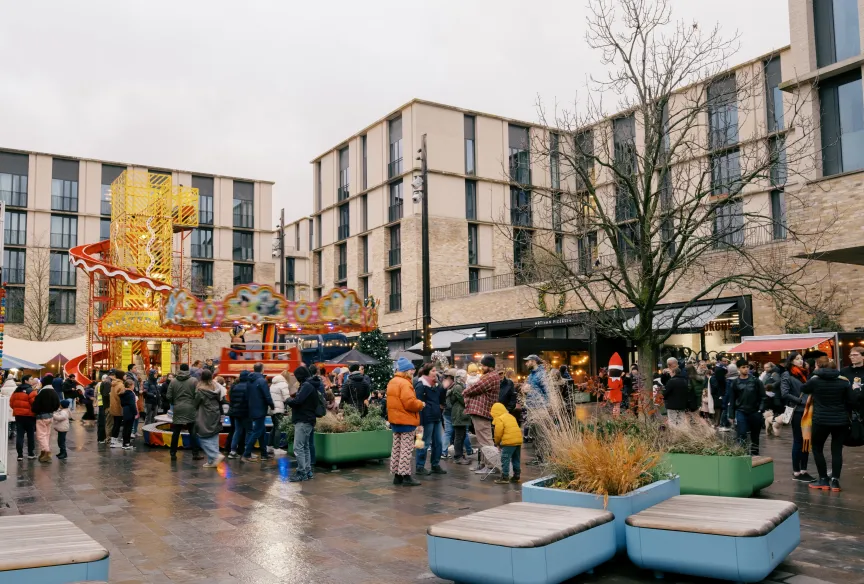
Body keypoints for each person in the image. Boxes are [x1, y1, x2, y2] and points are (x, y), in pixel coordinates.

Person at [803, 356, 856, 492]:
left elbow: (804, 389)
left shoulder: (815, 381)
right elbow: (851, 401)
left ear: (818, 366)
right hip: (841, 421)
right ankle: (835, 482)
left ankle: (823, 479)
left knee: (817, 448)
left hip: (821, 420)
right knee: (837, 450)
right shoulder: (844, 381)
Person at [386, 358, 425, 486]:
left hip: (395, 421)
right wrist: (421, 404)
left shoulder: (392, 381)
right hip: (406, 420)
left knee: (397, 449)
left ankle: (397, 476)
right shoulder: (405, 383)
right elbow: (410, 403)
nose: (413, 371)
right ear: (405, 370)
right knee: (406, 450)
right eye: (411, 369)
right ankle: (406, 476)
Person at [462, 355, 502, 472]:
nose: (482, 367)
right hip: (481, 412)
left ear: (489, 366)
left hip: (482, 412)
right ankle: (485, 464)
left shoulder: (490, 377)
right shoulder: (489, 376)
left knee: (486, 441)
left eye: (484, 365)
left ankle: (491, 466)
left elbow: (475, 387)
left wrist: (465, 392)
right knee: (483, 440)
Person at [781, 353, 813, 481]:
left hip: (808, 409)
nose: (800, 361)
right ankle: (796, 471)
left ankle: (804, 470)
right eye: (797, 359)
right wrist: (799, 401)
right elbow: (784, 393)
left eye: (801, 359)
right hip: (798, 410)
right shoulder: (787, 374)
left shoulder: (806, 374)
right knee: (798, 440)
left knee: (807, 440)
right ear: (791, 361)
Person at [286, 365, 321, 481]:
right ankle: (308, 471)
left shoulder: (306, 385)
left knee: (298, 447)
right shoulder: (311, 385)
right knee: (305, 447)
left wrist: (288, 400)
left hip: (303, 419)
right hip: (308, 419)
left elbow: (298, 401)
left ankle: (301, 472)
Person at [728, 360, 767, 455]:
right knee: (742, 434)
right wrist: (731, 415)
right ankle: (743, 455)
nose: (746, 369)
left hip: (755, 411)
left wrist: (760, 410)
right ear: (738, 369)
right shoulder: (735, 383)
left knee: (755, 436)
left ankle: (755, 455)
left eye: (747, 367)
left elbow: (763, 397)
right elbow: (732, 399)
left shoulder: (756, 381)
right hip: (741, 411)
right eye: (743, 367)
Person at [414, 363, 447, 476]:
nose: (435, 373)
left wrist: (441, 385)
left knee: (438, 442)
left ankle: (435, 464)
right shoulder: (421, 385)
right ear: (427, 372)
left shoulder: (435, 385)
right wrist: (420, 423)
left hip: (436, 416)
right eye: (433, 371)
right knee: (423, 442)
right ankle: (419, 466)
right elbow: (418, 404)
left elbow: (441, 398)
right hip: (426, 418)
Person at [167, 364, 202, 461]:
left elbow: (168, 396)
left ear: (179, 370)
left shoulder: (173, 381)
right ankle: (195, 454)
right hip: (190, 408)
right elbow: (198, 395)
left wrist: (174, 403)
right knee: (193, 432)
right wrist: (195, 404)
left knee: (176, 432)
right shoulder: (194, 381)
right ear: (188, 370)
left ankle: (173, 454)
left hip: (178, 408)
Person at [242, 363, 274, 463]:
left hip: (252, 409)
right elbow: (267, 395)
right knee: (257, 432)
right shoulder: (262, 381)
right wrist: (272, 405)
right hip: (261, 409)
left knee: (262, 432)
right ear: (262, 369)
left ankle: (264, 454)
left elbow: (246, 396)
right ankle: (246, 454)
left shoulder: (249, 381)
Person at [195, 369, 227, 468]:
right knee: (213, 435)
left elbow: (196, 403)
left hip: (204, 414)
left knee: (202, 436)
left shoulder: (200, 389)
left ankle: (215, 455)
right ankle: (211, 461)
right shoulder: (217, 387)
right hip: (216, 412)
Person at [443, 369, 471, 465]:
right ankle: (458, 456)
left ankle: (460, 455)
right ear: (462, 377)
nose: (467, 377)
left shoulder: (460, 386)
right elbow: (463, 401)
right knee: (459, 436)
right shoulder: (458, 387)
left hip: (460, 414)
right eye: (465, 376)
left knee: (461, 435)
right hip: (458, 414)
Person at [491, 402, 522, 484]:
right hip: (518, 440)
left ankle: (505, 477)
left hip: (509, 442)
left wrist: (497, 443)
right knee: (516, 458)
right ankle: (516, 476)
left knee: (505, 458)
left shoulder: (499, 418)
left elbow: (498, 433)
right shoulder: (511, 416)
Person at [32, 380, 60, 463]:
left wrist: (35, 411)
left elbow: (35, 406)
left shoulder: (41, 393)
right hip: (50, 416)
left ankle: (46, 451)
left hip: (41, 416)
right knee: (47, 435)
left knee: (41, 435)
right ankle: (44, 452)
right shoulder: (54, 392)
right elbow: (57, 404)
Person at [11, 377, 37, 461]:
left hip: (18, 416)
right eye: (31, 379)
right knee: (30, 435)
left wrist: (18, 410)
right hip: (29, 416)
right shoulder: (31, 391)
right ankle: (30, 453)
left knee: (20, 435)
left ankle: (20, 455)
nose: (32, 381)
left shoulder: (16, 391)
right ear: (26, 381)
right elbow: (35, 403)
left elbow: (11, 403)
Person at [227, 370, 251, 459]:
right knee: (249, 431)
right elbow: (249, 401)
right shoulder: (249, 387)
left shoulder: (234, 387)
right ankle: (247, 451)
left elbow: (231, 400)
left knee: (237, 431)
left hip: (236, 412)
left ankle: (232, 451)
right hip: (245, 412)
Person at [662, 358, 690, 425]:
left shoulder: (681, 373)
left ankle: (675, 434)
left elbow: (665, 392)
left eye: (671, 365)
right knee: (681, 421)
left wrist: (664, 396)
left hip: (672, 402)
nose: (669, 367)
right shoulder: (683, 380)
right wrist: (663, 375)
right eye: (669, 365)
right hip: (681, 403)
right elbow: (663, 381)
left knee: (672, 421)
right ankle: (681, 434)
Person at [268, 373, 291, 451]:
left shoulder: (273, 383)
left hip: (272, 408)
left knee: (274, 427)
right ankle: (276, 448)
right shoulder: (283, 384)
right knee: (278, 428)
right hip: (279, 408)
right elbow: (286, 398)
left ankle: (269, 446)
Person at [117, 378, 137, 449]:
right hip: (130, 411)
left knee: (126, 427)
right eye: (133, 385)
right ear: (130, 385)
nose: (134, 386)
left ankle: (125, 443)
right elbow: (132, 404)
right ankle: (126, 444)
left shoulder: (123, 392)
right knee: (128, 428)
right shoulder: (130, 393)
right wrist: (135, 413)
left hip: (125, 410)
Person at [99, 373, 113, 443]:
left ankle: (108, 438)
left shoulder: (102, 384)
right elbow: (107, 395)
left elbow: (102, 393)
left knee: (108, 423)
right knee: (109, 423)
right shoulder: (108, 384)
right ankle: (108, 438)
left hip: (105, 406)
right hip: (109, 406)